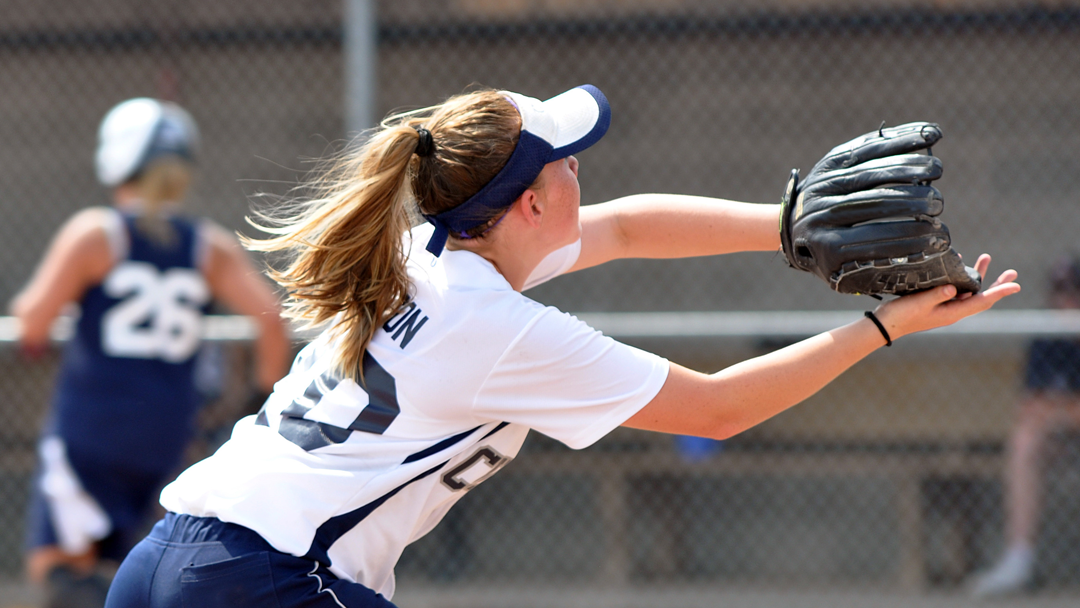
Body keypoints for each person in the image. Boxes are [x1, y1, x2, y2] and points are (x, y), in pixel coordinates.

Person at [103, 85, 1019, 608]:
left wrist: (787, 227)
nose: (584, 173)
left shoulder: (436, 256)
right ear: (531, 205)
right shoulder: (492, 327)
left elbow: (622, 230)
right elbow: (718, 408)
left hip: (167, 562)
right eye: (567, 163)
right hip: (264, 581)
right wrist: (884, 327)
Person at [12, 98, 292, 608]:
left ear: (117, 160)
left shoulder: (97, 234)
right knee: (131, 568)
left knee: (57, 565)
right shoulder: (208, 246)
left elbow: (33, 319)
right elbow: (271, 321)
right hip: (167, 434)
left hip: (91, 430)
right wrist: (256, 402)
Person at [969, 256, 1080, 597]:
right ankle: (1019, 559)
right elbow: (1030, 408)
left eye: (1073, 292)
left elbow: (1049, 407)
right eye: (1059, 292)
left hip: (1062, 425)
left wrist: (1059, 408)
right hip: (1061, 438)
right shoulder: (1048, 335)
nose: (1065, 301)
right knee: (1025, 441)